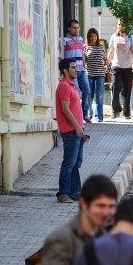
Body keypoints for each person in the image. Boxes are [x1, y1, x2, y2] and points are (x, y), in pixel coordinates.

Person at [55, 57, 85, 204]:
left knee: (76, 163)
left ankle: (75, 192)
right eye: (73, 67)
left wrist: (82, 127)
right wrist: (78, 127)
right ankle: (63, 193)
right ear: (65, 70)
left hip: (78, 130)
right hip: (70, 131)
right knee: (69, 162)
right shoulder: (64, 86)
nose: (76, 69)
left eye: (76, 67)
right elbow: (66, 110)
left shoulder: (72, 85)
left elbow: (75, 109)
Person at [61, 20, 92, 122]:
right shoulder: (64, 40)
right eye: (74, 28)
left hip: (81, 70)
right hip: (71, 71)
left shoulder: (80, 39)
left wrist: (84, 64)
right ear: (69, 28)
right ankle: (76, 115)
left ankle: (84, 114)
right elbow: (62, 55)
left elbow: (83, 53)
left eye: (78, 28)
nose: (76, 30)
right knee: (76, 93)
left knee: (87, 91)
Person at [106, 19, 133, 119]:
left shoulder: (130, 36)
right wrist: (107, 62)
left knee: (127, 91)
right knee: (115, 87)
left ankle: (127, 113)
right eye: (119, 24)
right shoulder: (113, 36)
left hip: (128, 67)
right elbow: (111, 51)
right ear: (116, 25)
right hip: (116, 66)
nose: (120, 26)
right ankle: (116, 110)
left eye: (122, 25)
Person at [84, 28, 107, 122]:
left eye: (95, 36)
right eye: (91, 36)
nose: (93, 38)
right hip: (89, 74)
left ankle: (99, 117)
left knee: (99, 96)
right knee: (89, 96)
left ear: (97, 37)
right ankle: (90, 114)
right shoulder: (86, 48)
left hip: (100, 74)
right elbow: (84, 60)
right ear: (88, 37)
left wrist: (106, 66)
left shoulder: (101, 47)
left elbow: (105, 60)